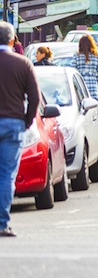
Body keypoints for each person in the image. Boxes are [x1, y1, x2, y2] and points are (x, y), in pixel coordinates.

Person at [0, 21, 39, 237]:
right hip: (13, 123)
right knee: (6, 175)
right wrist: (26, 120)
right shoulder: (23, 63)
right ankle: (2, 223)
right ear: (12, 40)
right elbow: (34, 97)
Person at [71, 33, 98, 100]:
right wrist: (94, 79)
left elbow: (72, 71)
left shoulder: (76, 56)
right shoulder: (96, 56)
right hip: (93, 88)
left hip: (80, 88)